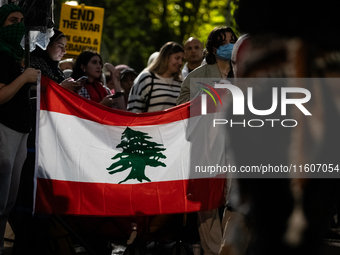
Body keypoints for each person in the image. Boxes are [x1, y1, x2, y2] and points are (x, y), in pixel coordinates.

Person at [0, 4, 40, 253]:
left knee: (7, 202)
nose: (19, 26)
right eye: (12, 21)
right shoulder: (1, 56)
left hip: (19, 132)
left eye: (22, 21)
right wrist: (24, 78)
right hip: (5, 129)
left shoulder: (14, 56)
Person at [176, 26, 237, 105]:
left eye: (232, 42)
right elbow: (181, 109)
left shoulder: (244, 73)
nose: (229, 46)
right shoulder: (195, 77)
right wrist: (206, 97)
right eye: (223, 43)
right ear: (213, 49)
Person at [127, 41, 184, 113]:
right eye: (177, 58)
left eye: (182, 59)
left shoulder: (180, 82)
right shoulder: (147, 78)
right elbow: (133, 111)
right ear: (165, 57)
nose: (180, 63)